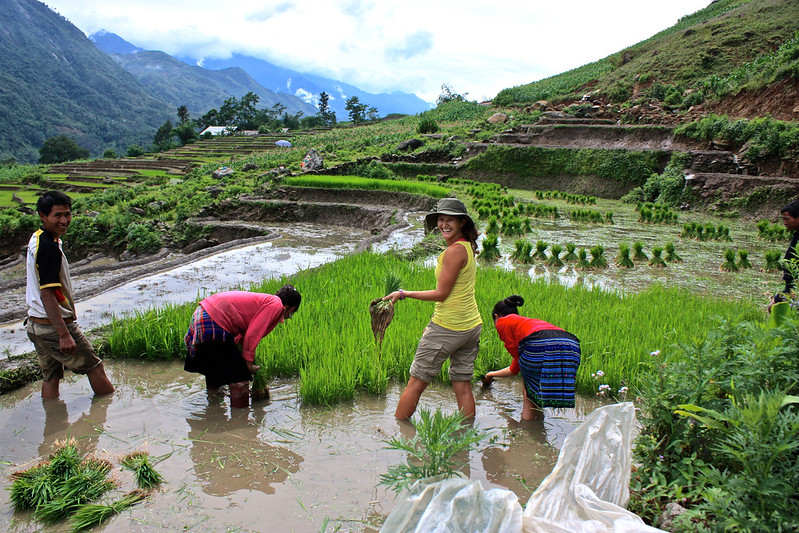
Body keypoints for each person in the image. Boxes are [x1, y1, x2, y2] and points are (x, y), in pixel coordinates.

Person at [384, 198, 482, 420]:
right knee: (462, 384)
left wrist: (403, 294)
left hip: (449, 326)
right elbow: (455, 294)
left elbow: (442, 294)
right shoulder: (468, 247)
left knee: (416, 382)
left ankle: (398, 431)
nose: (444, 225)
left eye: (450, 220)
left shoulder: (454, 252)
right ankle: (467, 437)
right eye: (441, 219)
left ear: (462, 223)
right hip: (471, 326)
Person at [25, 191, 115, 400]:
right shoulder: (49, 248)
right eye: (57, 215)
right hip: (52, 326)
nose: (64, 220)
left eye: (67, 214)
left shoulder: (38, 239)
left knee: (51, 376)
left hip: (35, 324)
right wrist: (64, 334)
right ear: (42, 216)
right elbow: (47, 294)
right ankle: (114, 413)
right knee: (94, 367)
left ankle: (53, 422)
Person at [184, 285, 301, 408]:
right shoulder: (276, 305)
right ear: (290, 308)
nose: (288, 317)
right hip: (214, 321)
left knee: (215, 369)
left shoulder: (265, 301)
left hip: (201, 315)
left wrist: (242, 355)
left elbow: (242, 335)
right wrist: (248, 363)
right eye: (291, 314)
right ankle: (240, 419)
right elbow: (253, 333)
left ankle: (213, 408)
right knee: (240, 375)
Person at [483, 295, 581, 420]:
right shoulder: (529, 324)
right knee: (538, 391)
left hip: (539, 342)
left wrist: (506, 419)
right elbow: (515, 368)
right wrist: (490, 374)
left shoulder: (503, 322)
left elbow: (517, 364)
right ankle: (537, 426)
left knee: (528, 393)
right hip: (571, 345)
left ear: (496, 316)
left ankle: (526, 430)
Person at [770, 199, 799, 310]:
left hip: (795, 289)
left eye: (787, 219)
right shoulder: (796, 236)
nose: (784, 223)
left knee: (774, 309)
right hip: (792, 287)